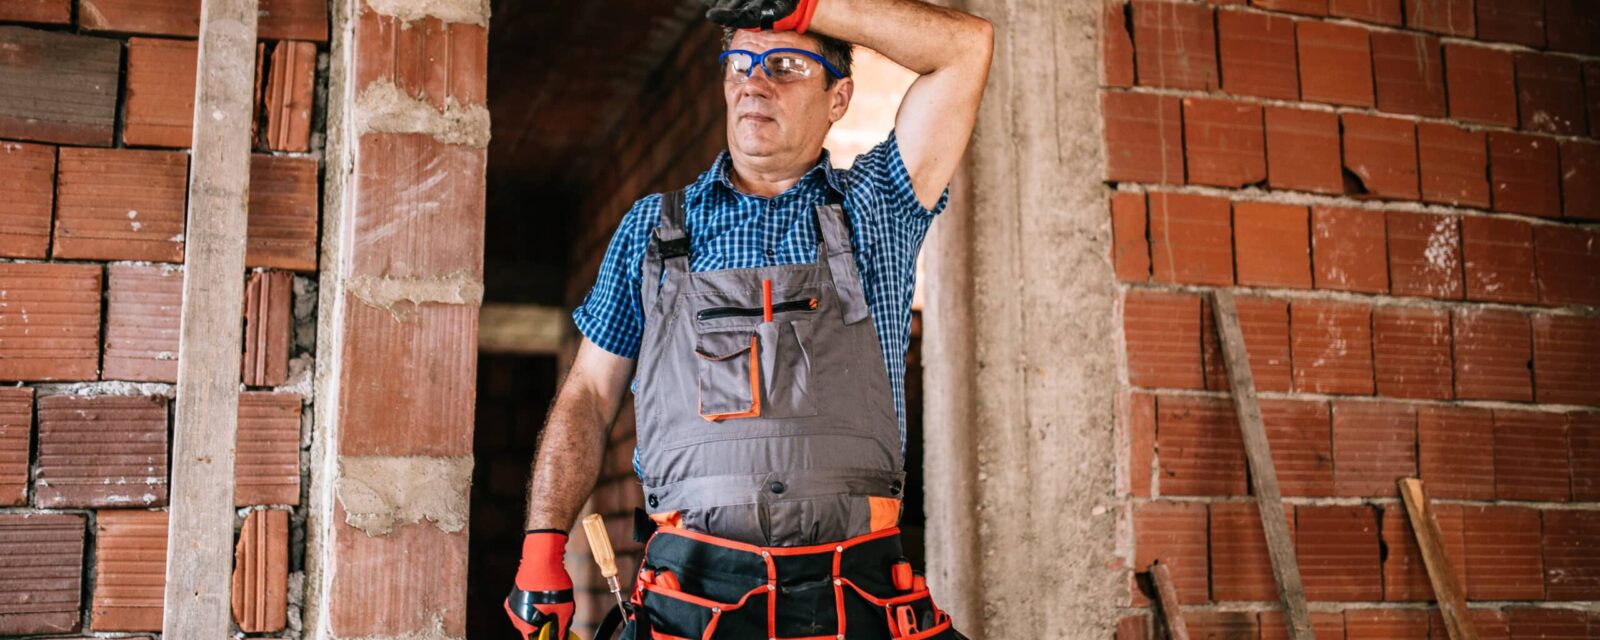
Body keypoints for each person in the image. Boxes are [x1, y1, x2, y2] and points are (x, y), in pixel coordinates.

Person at [505, 0, 993, 637]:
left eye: (786, 65)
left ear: (838, 98)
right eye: (740, 64)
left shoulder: (878, 212)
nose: (755, 84)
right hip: (692, 604)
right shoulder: (652, 231)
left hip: (855, 602)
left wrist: (812, 5)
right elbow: (590, 395)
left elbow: (964, 49)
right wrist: (542, 549)